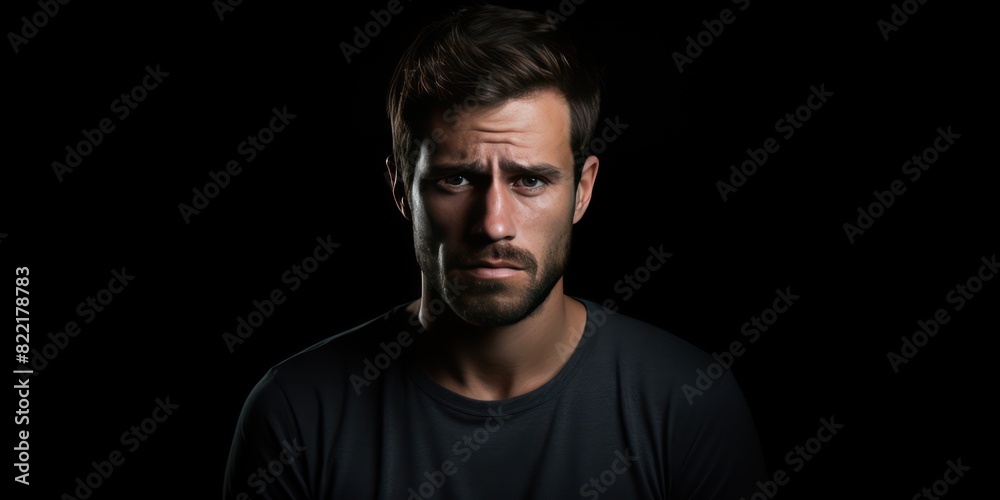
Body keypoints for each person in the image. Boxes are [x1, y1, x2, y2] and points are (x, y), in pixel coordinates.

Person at [223, 4, 766, 499]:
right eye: (457, 179)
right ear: (400, 191)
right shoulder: (296, 414)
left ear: (582, 190)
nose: (494, 224)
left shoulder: (689, 403)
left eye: (530, 180)